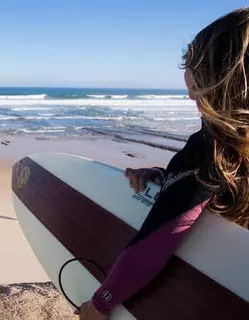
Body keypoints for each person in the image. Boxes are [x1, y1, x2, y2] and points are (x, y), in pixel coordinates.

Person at [76, 7, 249, 319]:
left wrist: (101, 304)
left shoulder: (213, 150)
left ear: (223, 86)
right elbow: (214, 192)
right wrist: (163, 176)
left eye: (196, 92)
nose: (191, 100)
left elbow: (156, 242)